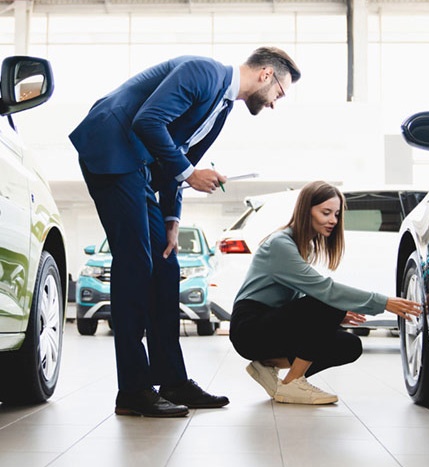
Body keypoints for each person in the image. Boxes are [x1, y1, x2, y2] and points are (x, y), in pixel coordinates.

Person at [69, 47, 301, 418]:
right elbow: (148, 121)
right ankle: (132, 389)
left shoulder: (221, 107)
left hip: (138, 165)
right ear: (266, 75)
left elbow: (177, 156)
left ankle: (172, 379)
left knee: (165, 265)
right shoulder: (203, 73)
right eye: (280, 93)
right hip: (111, 146)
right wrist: (190, 174)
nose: (275, 103)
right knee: (136, 264)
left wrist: (172, 220)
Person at [228, 181, 423, 405]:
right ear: (306, 210)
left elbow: (301, 296)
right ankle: (292, 383)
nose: (333, 220)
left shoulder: (304, 245)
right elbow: (324, 290)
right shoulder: (280, 244)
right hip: (250, 328)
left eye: (337, 214)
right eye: (326, 212)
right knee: (327, 301)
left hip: (270, 323)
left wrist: (337, 314)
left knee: (349, 346)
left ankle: (267, 365)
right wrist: (383, 302)